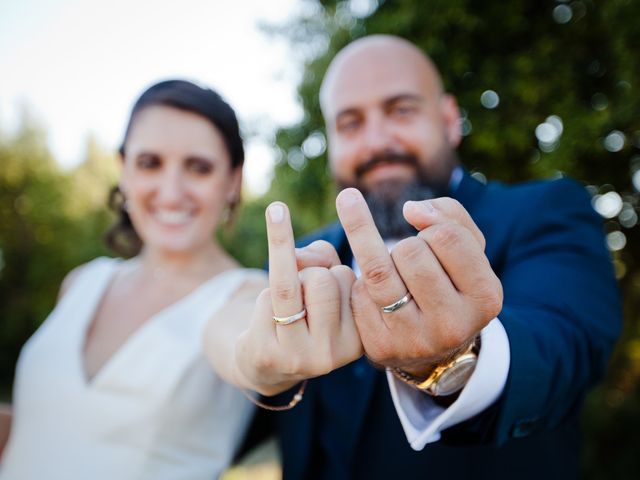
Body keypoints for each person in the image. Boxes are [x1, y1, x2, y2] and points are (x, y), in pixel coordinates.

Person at [236, 35, 622, 479]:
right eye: (350, 123)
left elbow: (563, 345)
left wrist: (454, 362)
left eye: (401, 110)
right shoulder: (296, 265)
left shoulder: (545, 211)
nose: (378, 141)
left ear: (450, 120)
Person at [0, 79, 270, 479]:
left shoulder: (248, 296)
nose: (172, 191)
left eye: (198, 167)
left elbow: (251, 350)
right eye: (150, 163)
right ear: (123, 171)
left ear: (233, 180)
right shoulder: (82, 282)